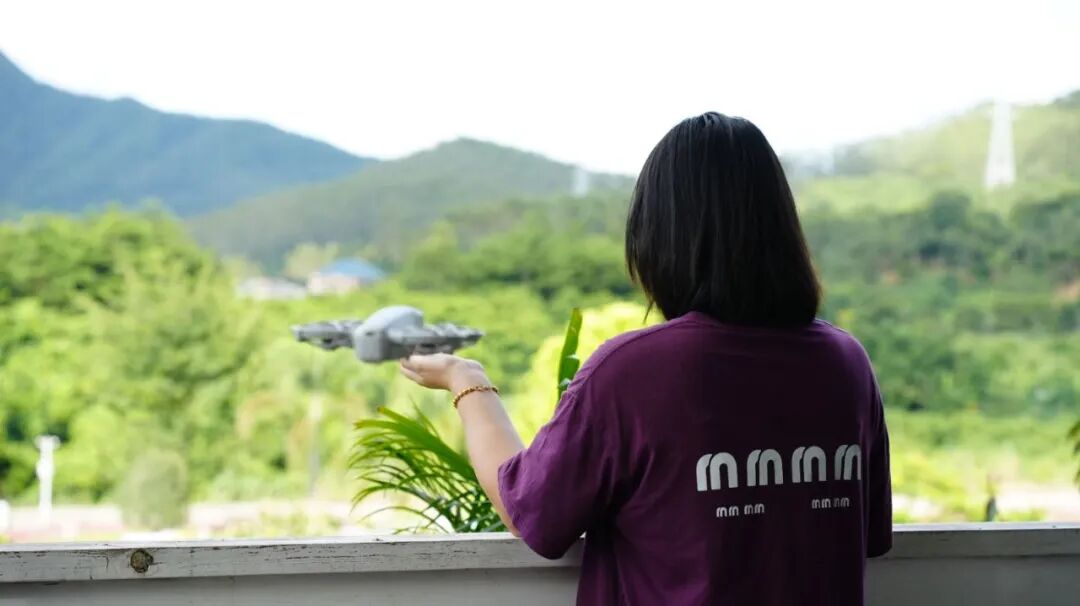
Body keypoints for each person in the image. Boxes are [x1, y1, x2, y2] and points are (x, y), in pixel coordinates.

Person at [400, 112, 892, 605]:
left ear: (657, 235)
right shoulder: (844, 364)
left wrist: (467, 380)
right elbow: (865, 537)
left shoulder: (634, 372)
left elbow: (528, 511)